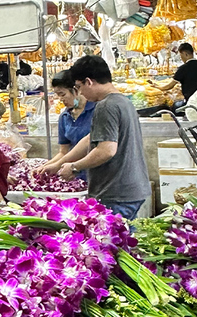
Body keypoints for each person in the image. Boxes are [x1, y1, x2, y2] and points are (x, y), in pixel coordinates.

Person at [46, 55, 151, 221]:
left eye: (79, 87)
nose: (80, 93)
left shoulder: (105, 106)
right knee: (125, 236)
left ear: (89, 81)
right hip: (131, 188)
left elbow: (106, 150)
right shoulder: (123, 101)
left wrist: (74, 167)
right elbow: (89, 139)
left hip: (116, 191)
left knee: (111, 241)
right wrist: (58, 164)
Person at [37, 70, 96, 180]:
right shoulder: (65, 116)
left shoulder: (97, 110)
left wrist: (58, 165)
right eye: (57, 95)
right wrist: (45, 167)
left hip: (95, 174)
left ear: (76, 90)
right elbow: (63, 152)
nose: (60, 99)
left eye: (62, 94)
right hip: (73, 176)